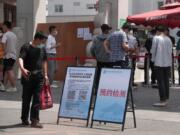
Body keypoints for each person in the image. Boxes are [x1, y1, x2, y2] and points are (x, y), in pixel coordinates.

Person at [18, 32, 49, 128]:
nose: (43, 43)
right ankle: (24, 119)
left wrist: (46, 75)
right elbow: (20, 59)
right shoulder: (26, 47)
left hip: (39, 77)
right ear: (37, 39)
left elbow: (44, 61)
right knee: (26, 99)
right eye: (42, 40)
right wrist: (22, 69)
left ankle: (35, 121)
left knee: (37, 99)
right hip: (28, 76)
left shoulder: (43, 48)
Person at [151, 25, 172, 107]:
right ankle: (166, 98)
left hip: (158, 62)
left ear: (158, 31)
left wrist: (153, 60)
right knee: (166, 80)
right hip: (167, 63)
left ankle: (162, 100)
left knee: (160, 81)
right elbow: (170, 51)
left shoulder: (156, 38)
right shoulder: (168, 39)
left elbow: (153, 49)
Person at [90, 24, 112, 94]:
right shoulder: (111, 38)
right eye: (108, 29)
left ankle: (97, 90)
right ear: (106, 30)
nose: (109, 31)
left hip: (99, 60)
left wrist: (95, 56)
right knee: (109, 76)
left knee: (98, 75)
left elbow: (92, 49)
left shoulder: (96, 38)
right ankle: (107, 91)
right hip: (109, 60)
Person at [0, 21, 17, 92]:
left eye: (3, 26)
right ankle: (3, 86)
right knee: (7, 71)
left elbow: (3, 43)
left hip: (8, 55)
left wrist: (4, 51)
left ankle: (13, 86)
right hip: (13, 55)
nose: (2, 28)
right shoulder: (14, 35)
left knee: (9, 71)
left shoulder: (6, 35)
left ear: (6, 26)